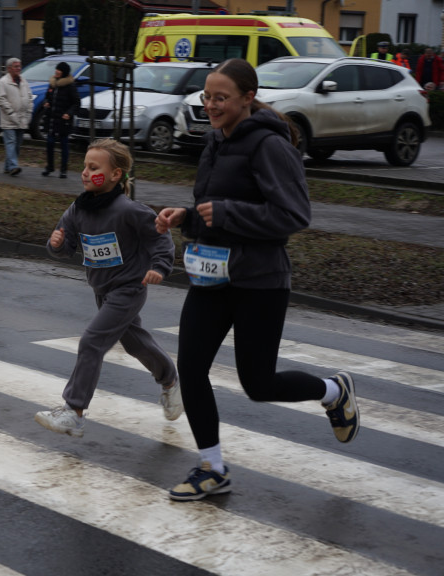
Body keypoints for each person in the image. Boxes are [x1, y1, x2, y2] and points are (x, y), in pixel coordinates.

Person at [154, 58, 359, 502]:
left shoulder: (270, 145)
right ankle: (212, 467)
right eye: (207, 96)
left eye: (221, 97)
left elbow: (293, 215)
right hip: (213, 276)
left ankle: (332, 390)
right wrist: (186, 216)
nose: (211, 105)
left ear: (248, 97)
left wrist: (227, 213)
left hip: (260, 281)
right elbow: (212, 208)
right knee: (191, 368)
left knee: (259, 384)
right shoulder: (214, 143)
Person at [35, 138, 182, 439]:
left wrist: (159, 267)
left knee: (91, 341)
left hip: (129, 288)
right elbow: (66, 246)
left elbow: (161, 238)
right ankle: (170, 380)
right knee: (135, 343)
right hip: (102, 289)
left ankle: (74, 412)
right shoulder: (78, 208)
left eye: (94, 167)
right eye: (84, 167)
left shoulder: (129, 210)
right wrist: (56, 245)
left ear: (115, 175)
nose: (86, 173)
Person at [0, 58, 34, 176]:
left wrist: (29, 113)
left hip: (22, 119)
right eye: (16, 66)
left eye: (19, 66)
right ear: (9, 68)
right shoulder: (2, 82)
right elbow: (0, 99)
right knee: (11, 142)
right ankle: (13, 166)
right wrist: (11, 113)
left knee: (17, 144)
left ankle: (8, 166)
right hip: (8, 119)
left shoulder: (23, 81)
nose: (18, 68)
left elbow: (29, 97)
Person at [42, 62, 79, 179]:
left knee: (64, 144)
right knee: (50, 143)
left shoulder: (70, 86)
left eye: (58, 70)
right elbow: (47, 97)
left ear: (63, 72)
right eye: (56, 69)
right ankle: (50, 167)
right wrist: (46, 103)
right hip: (52, 119)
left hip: (63, 121)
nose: (56, 71)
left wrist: (69, 113)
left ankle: (63, 170)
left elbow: (76, 103)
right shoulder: (52, 84)